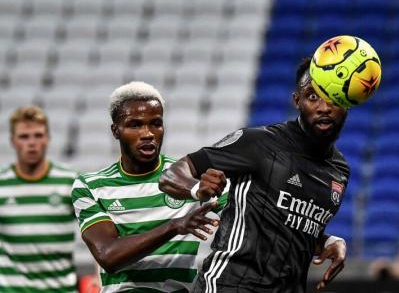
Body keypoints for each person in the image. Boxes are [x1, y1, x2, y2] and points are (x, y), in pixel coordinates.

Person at [159, 57, 350, 292]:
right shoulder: (258, 142)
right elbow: (172, 174)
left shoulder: (339, 170)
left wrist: (327, 241)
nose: (323, 107)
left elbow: (291, 226)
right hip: (229, 285)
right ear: (297, 101)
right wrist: (195, 188)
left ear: (348, 102)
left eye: (334, 97)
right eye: (312, 96)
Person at [71, 81, 228, 292]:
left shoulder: (191, 177)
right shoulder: (90, 185)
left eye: (156, 123)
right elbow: (108, 256)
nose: (148, 133)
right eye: (135, 125)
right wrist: (175, 225)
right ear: (115, 131)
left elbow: (248, 214)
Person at [0, 105, 78, 292]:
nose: (32, 143)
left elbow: (100, 233)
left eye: (38, 135)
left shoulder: (71, 181)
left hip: (60, 289)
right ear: (13, 141)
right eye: (24, 137)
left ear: (48, 139)